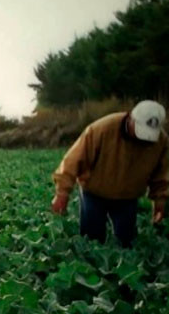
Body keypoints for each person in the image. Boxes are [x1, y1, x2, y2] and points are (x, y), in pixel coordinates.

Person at [51, 100, 168, 247]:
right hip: (94, 193)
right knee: (92, 240)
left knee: (126, 242)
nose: (143, 137)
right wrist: (62, 193)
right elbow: (73, 161)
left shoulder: (160, 141)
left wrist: (160, 200)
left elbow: (161, 173)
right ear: (131, 118)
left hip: (128, 197)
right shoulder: (102, 129)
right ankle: (90, 269)